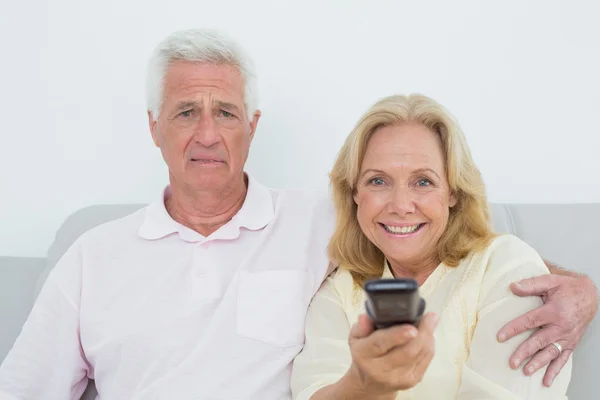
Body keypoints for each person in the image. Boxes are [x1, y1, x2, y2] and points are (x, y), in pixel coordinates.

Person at [0, 29, 596, 400]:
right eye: (185, 112)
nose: (207, 134)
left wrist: (580, 286)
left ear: (252, 126)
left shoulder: (317, 222)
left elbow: (437, 243)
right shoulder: (92, 256)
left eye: (227, 112)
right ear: (153, 126)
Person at [290, 94, 578, 399]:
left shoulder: (506, 267)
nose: (401, 205)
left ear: (453, 191)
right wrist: (368, 384)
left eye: (423, 182)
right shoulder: (338, 292)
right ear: (354, 193)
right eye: (378, 181)